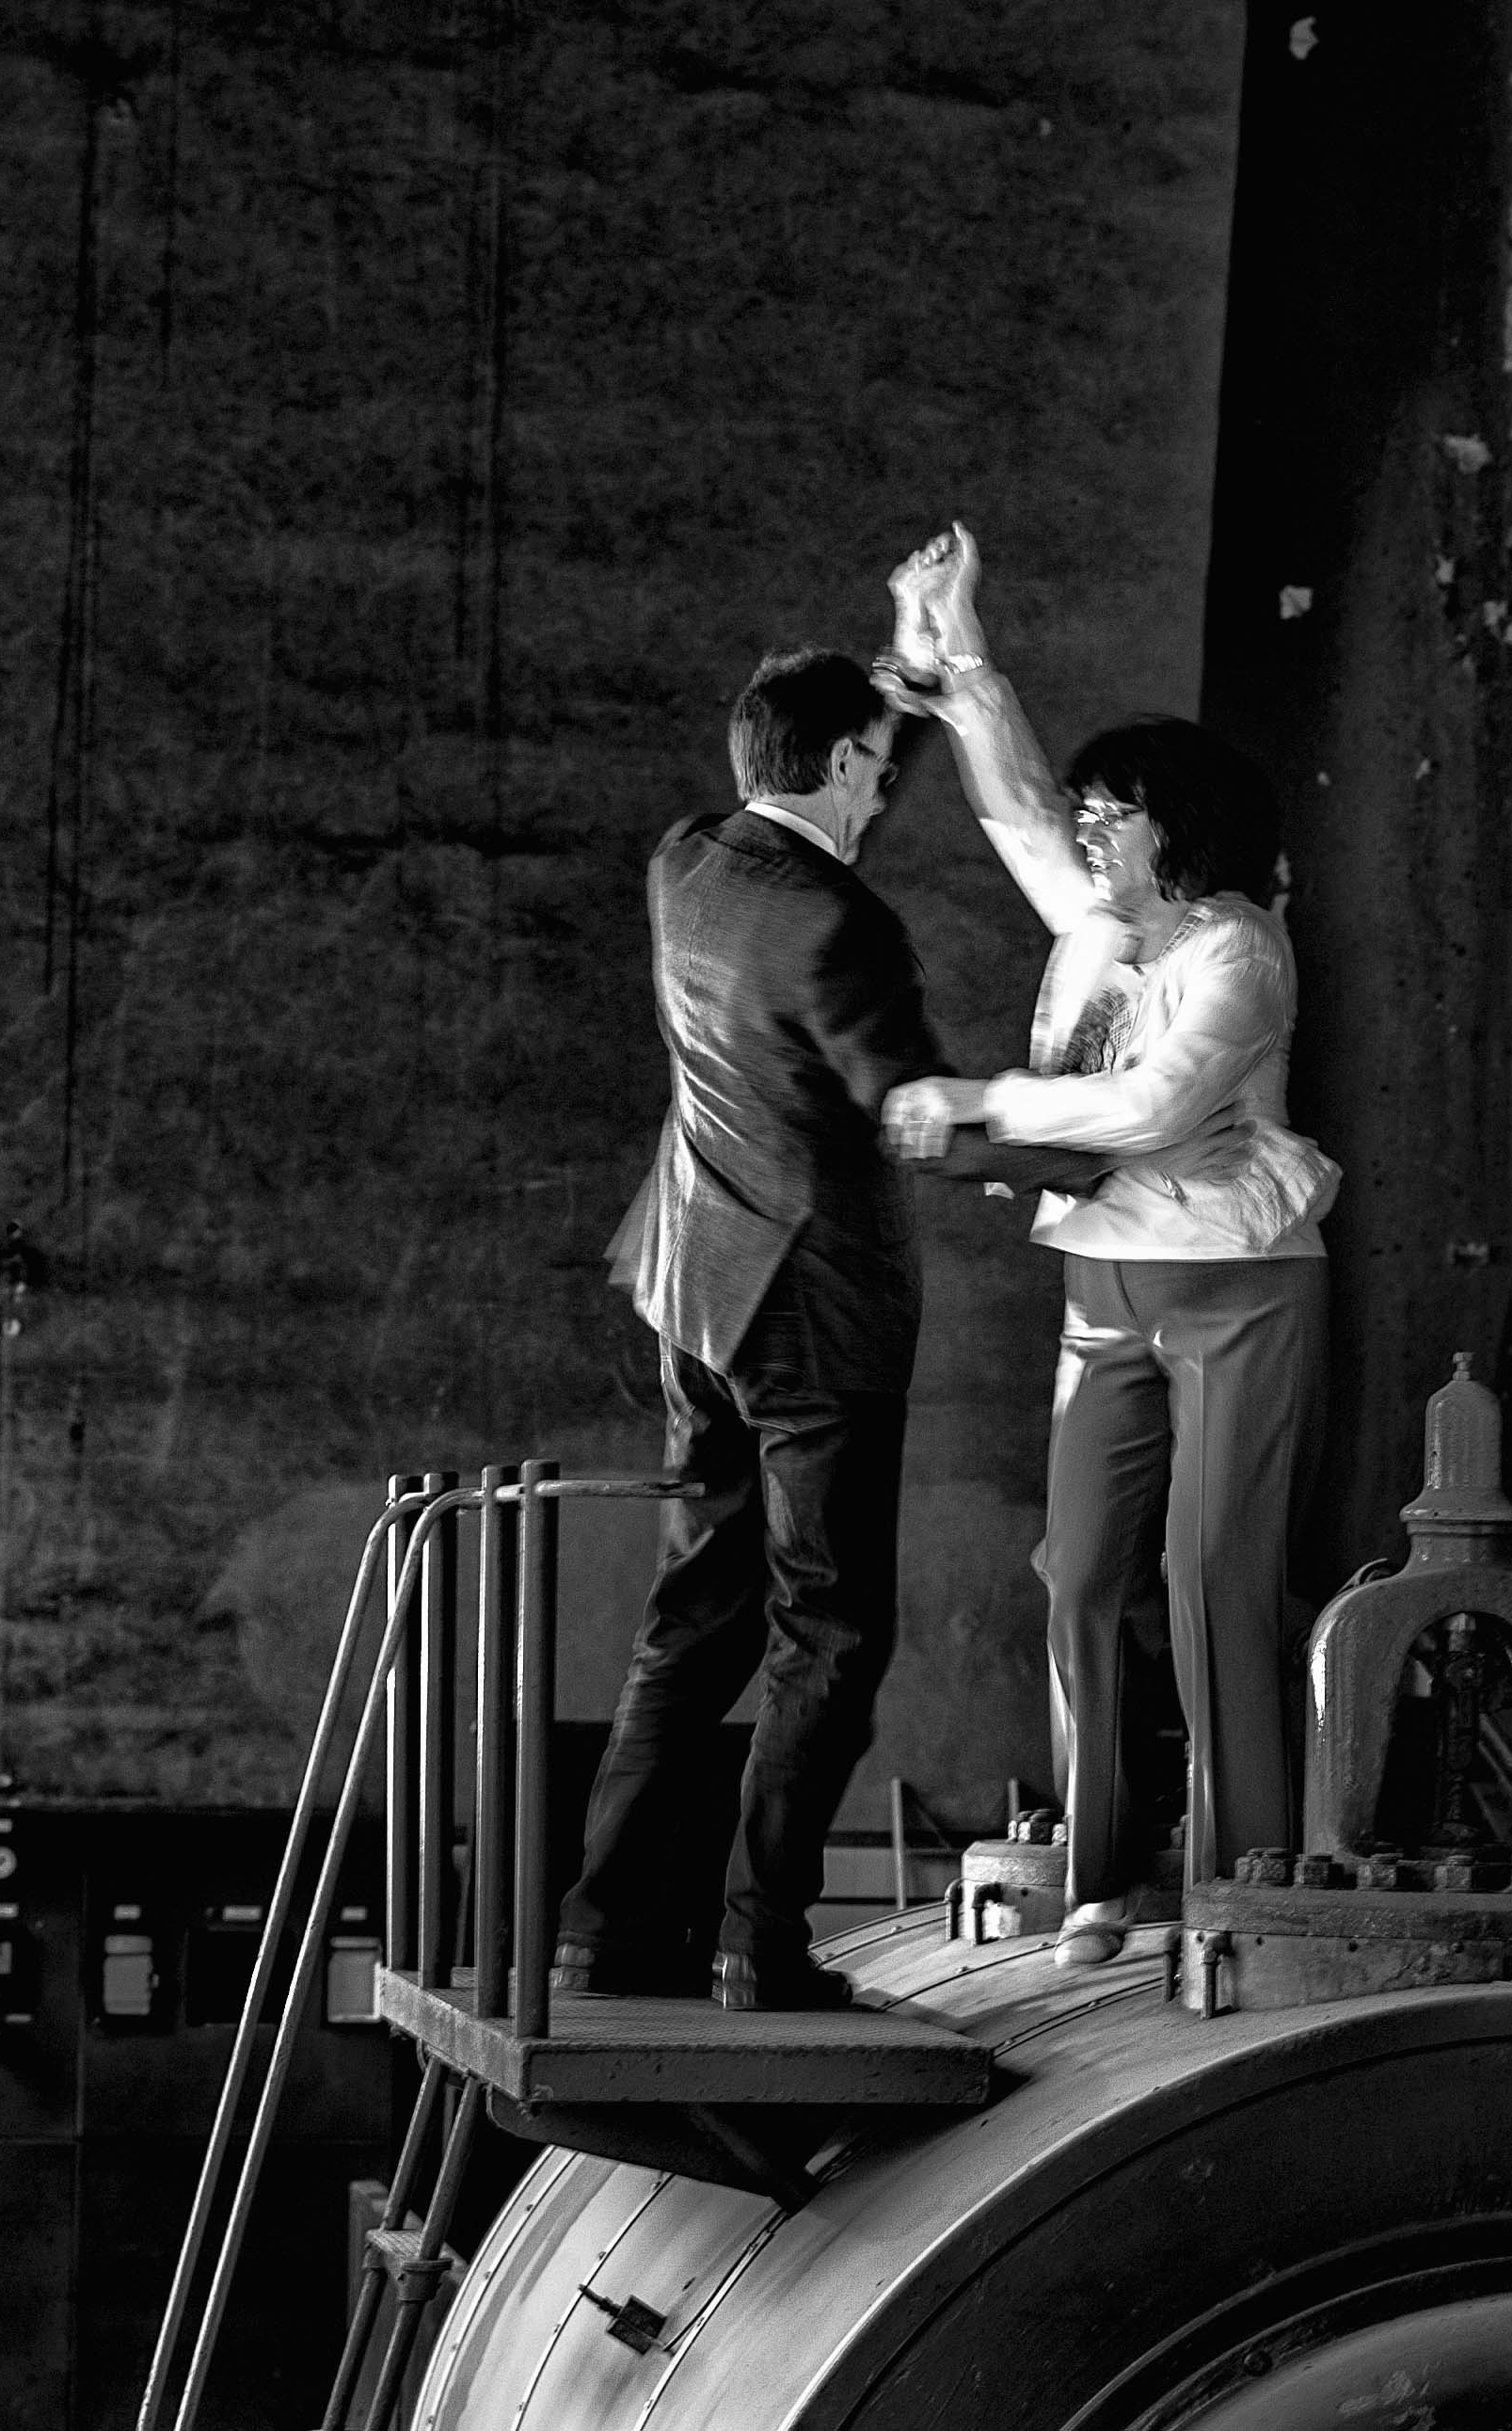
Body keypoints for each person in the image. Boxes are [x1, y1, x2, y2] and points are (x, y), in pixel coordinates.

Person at [877, 523, 1338, 1971]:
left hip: (1240, 1290)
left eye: (1114, 810)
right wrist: (960, 658)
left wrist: (980, 1101)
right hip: (1105, 1284)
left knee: (1214, 1578)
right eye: (1090, 808)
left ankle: (1241, 1868)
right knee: (1077, 1570)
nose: (1084, 828)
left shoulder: (1238, 949)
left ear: (1177, 823)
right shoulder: (1094, 928)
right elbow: (1013, 811)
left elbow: (1151, 1107)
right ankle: (1098, 1868)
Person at [559, 647, 1013, 2011]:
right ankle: (762, 1943)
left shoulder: (686, 860)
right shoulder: (845, 926)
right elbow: (915, 1109)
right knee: (828, 1628)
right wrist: (1067, 1148)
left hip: (696, 1284)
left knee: (694, 1612)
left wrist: (902, 700)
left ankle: (602, 1929)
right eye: (879, 768)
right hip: (816, 1309)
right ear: (839, 767)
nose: (886, 793)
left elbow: (816, 769)